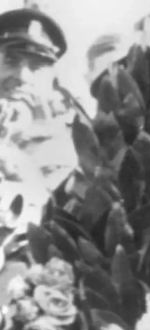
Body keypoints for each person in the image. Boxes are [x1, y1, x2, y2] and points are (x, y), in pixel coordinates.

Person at [0, 8, 78, 225]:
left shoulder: (71, 154)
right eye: (11, 61)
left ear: (52, 78)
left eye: (37, 67)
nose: (22, 76)